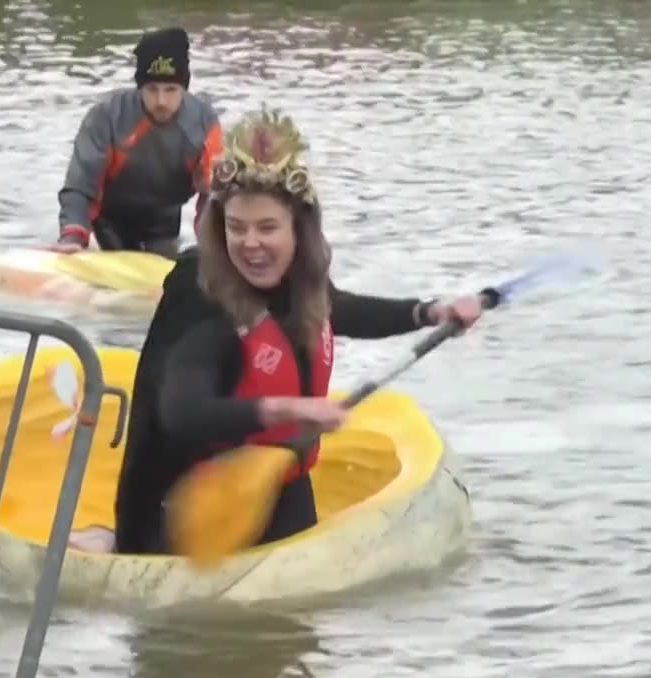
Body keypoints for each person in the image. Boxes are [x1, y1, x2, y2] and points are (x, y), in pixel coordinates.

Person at [107, 106, 486, 555]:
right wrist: (288, 410)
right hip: (191, 503)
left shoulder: (300, 275)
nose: (250, 244)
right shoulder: (201, 293)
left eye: (267, 227)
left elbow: (335, 310)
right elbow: (182, 410)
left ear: (299, 229)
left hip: (279, 483)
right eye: (236, 227)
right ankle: (109, 543)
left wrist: (429, 312)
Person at [50, 27, 223, 259]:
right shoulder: (107, 116)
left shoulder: (205, 123)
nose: (161, 101)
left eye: (171, 89)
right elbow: (81, 184)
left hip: (165, 219)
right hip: (111, 217)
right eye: (152, 89)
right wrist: (72, 237)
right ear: (140, 86)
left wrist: (215, 250)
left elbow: (213, 196)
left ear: (184, 87)